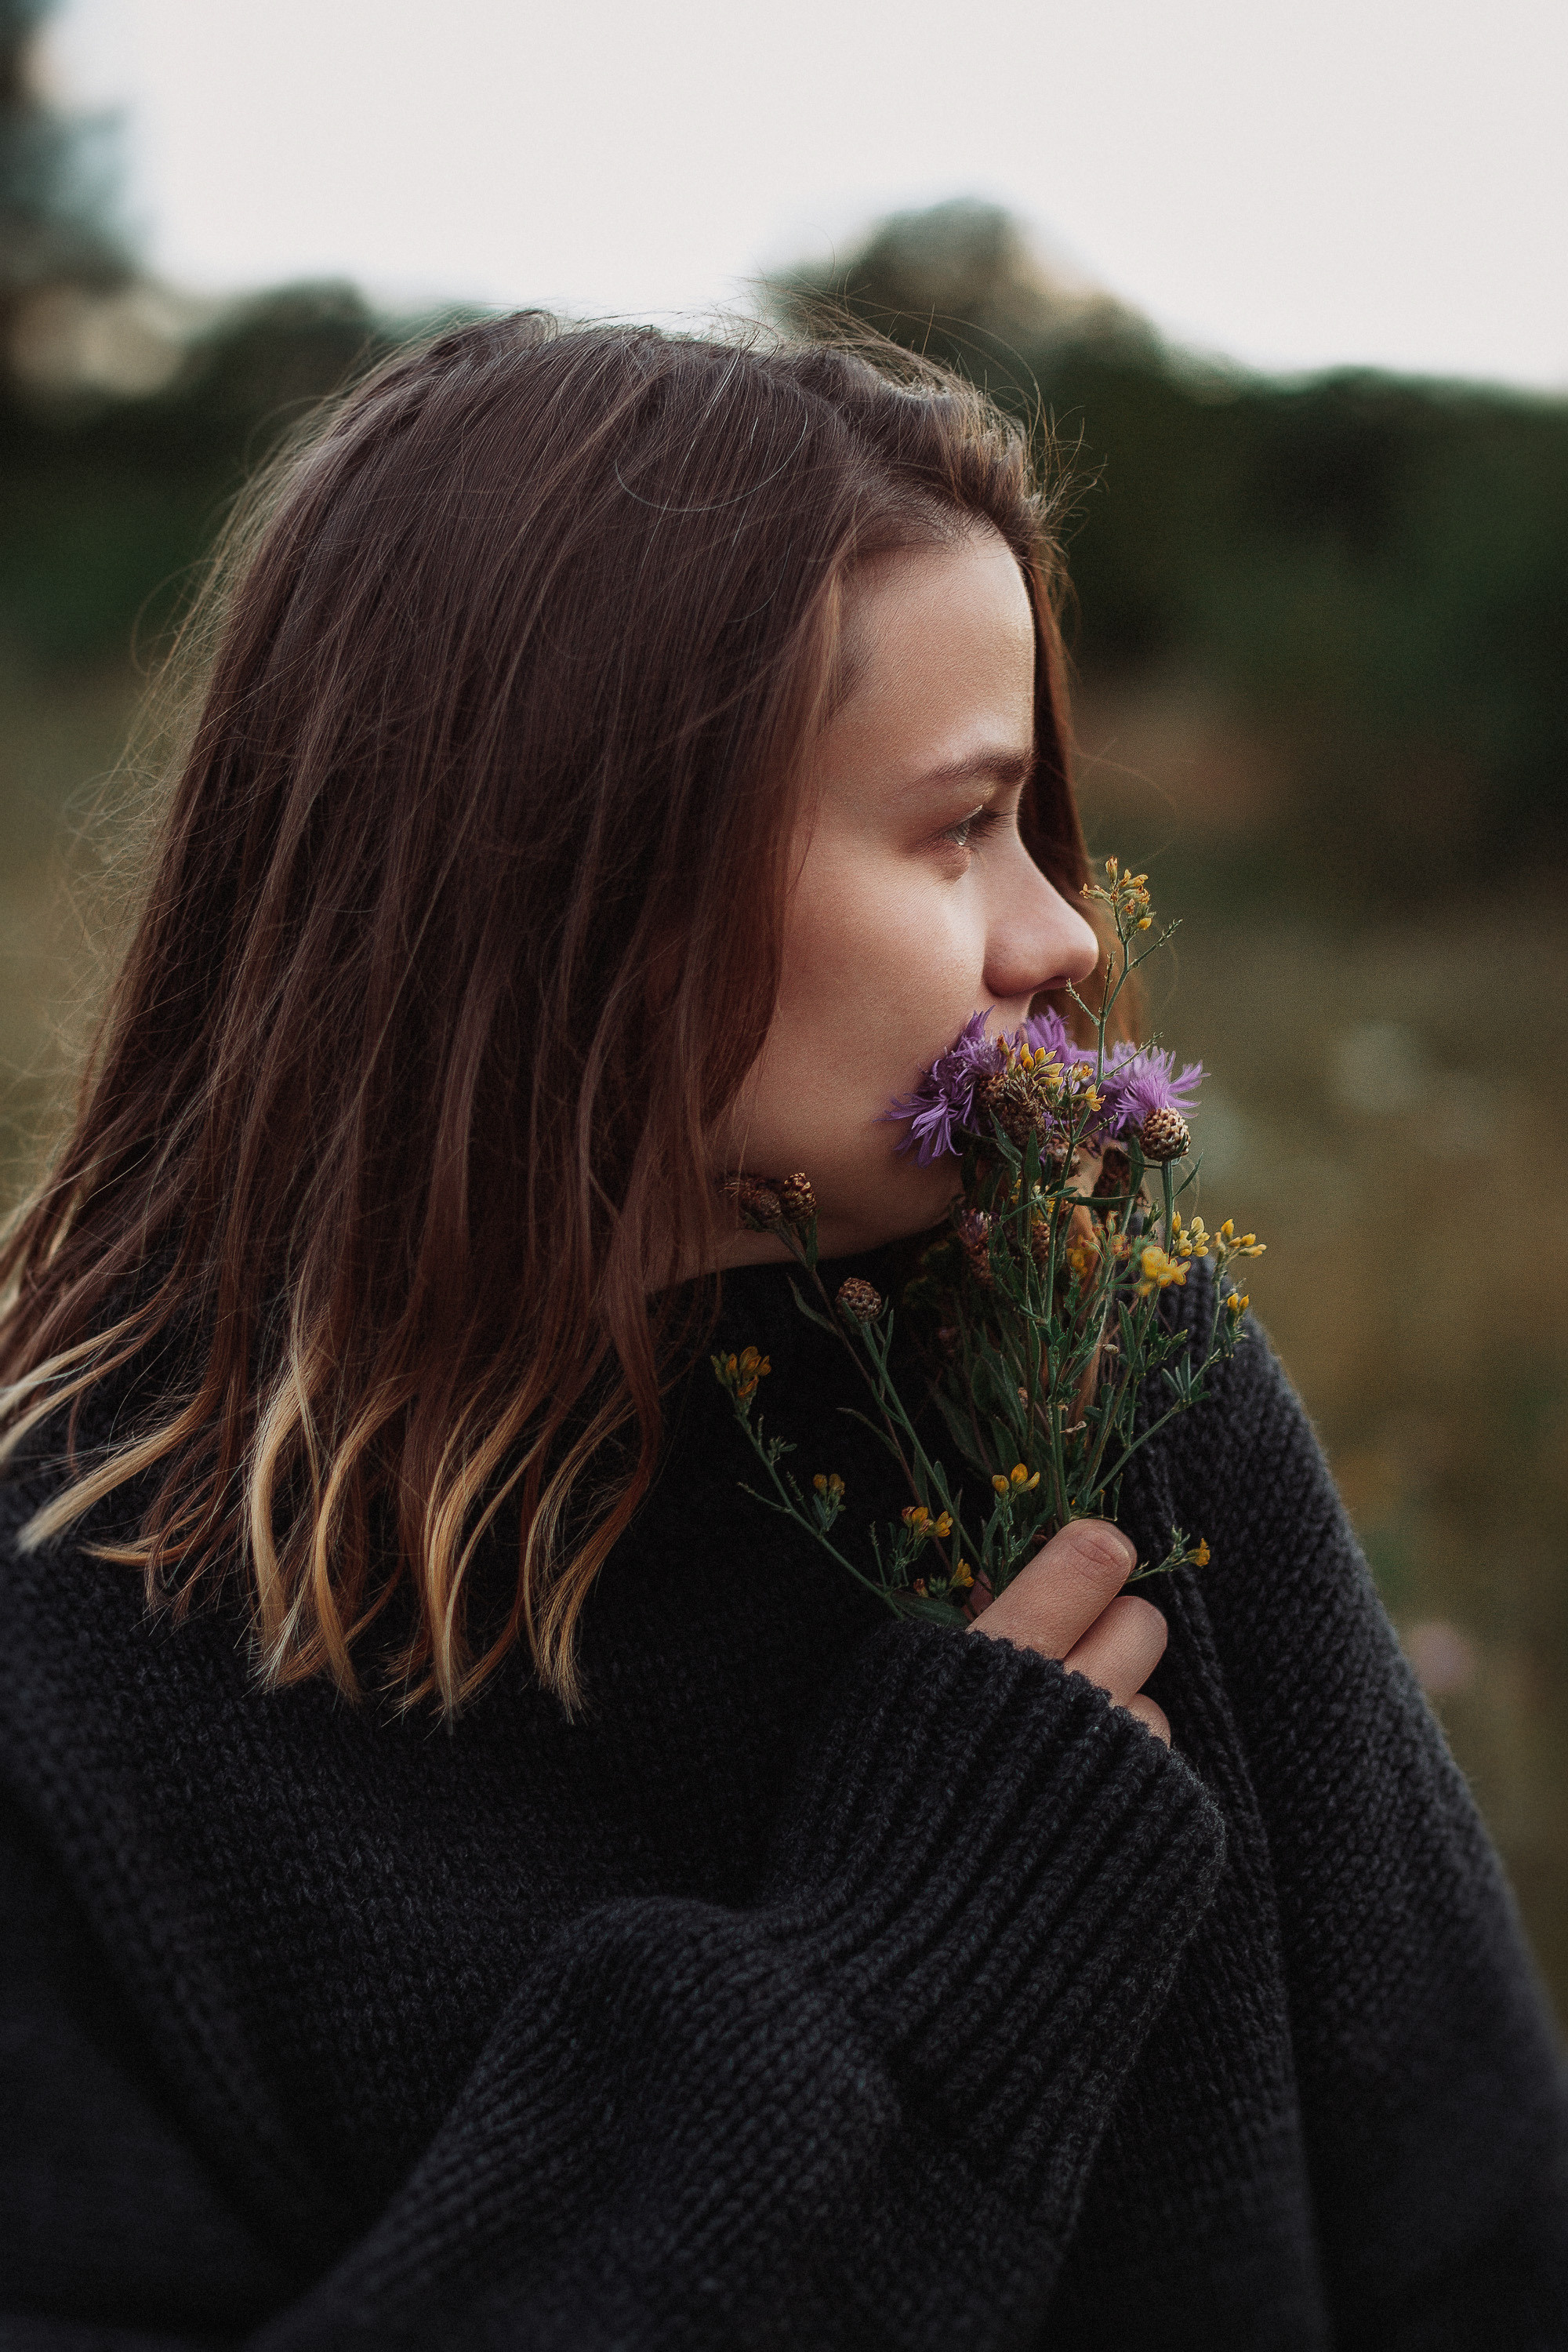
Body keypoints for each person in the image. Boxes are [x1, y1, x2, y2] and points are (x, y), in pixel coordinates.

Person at [0, 314, 1562, 2350]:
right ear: (595, 875)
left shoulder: (1105, 1389)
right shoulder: (73, 1654)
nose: (1063, 936)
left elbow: (1482, 2234)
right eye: (953, 824)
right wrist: (894, 1989)